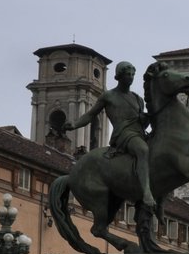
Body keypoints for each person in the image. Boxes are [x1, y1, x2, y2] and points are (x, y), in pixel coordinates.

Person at [57, 60, 157, 210]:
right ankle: (146, 193)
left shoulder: (138, 99)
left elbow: (142, 121)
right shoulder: (108, 96)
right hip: (124, 134)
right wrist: (75, 124)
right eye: (127, 74)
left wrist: (146, 119)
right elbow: (90, 115)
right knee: (142, 150)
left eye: (132, 74)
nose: (130, 77)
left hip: (140, 132)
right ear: (119, 76)